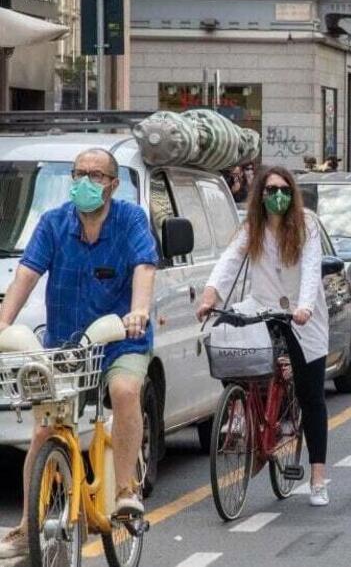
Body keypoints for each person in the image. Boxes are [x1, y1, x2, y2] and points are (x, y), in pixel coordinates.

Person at [0, 148, 157, 558]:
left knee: (124, 391)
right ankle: (25, 527)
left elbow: (144, 267)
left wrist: (138, 310)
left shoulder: (130, 220)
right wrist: (2, 322)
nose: (86, 182)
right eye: (79, 174)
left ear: (112, 184)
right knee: (42, 433)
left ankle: (124, 490)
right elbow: (26, 275)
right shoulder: (53, 224)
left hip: (121, 339)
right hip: (66, 347)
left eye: (96, 175)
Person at [196, 166, 332, 507]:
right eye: (270, 190)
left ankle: (317, 476)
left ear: (292, 193)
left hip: (302, 315)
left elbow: (312, 269)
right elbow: (229, 262)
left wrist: (304, 308)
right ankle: (243, 411)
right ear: (261, 195)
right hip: (261, 307)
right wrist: (210, 295)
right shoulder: (251, 229)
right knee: (230, 345)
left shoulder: (307, 226)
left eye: (283, 189)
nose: (277, 196)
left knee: (311, 395)